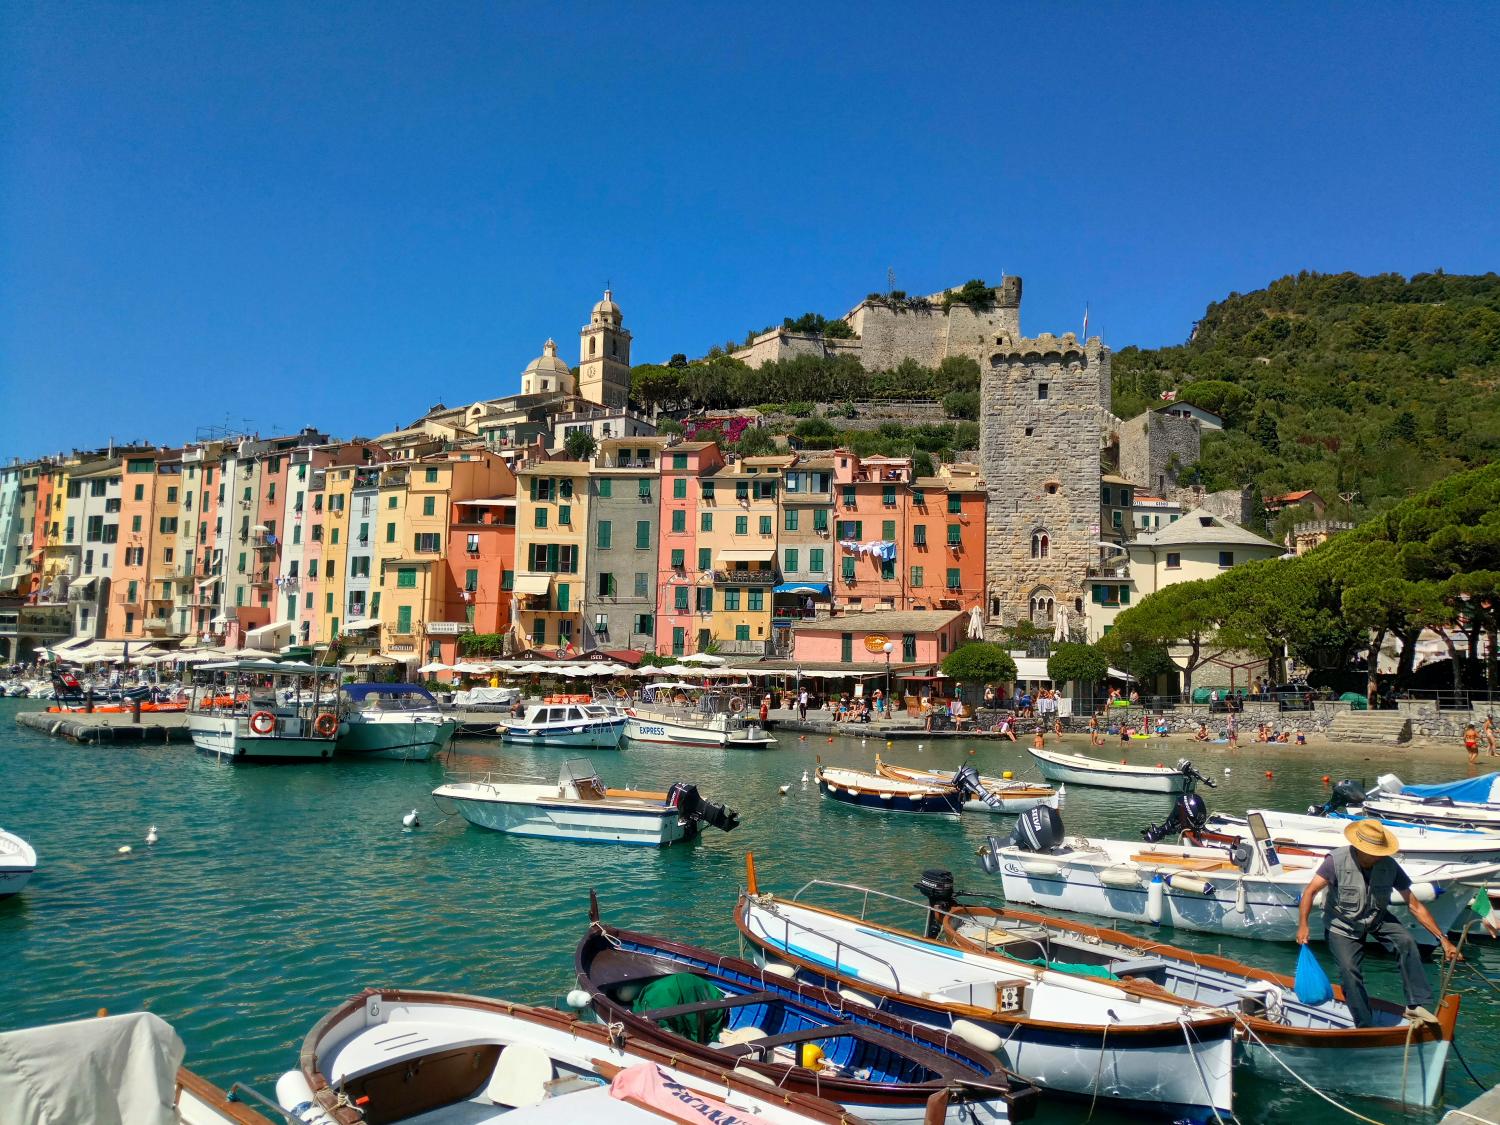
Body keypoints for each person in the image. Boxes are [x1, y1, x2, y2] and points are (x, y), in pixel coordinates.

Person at [1296, 818, 1460, 1027]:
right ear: (1358, 847)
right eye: (1373, 851)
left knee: (1406, 942)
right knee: (1350, 972)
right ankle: (1364, 1024)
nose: (1378, 856)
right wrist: (1303, 925)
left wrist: (1443, 940)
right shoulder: (1335, 861)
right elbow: (1310, 892)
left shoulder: (1389, 865)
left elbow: (1415, 905)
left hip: (1376, 918)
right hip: (1342, 925)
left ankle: (1415, 1004)